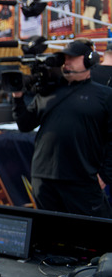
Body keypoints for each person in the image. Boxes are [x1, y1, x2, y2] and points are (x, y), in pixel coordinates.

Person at [12, 38, 112, 217]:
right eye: (65, 58)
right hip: (43, 178)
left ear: (88, 60)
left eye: (72, 58)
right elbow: (25, 124)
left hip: (82, 178)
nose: (67, 62)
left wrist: (105, 176)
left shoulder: (105, 95)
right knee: (50, 235)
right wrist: (18, 97)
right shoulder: (48, 92)